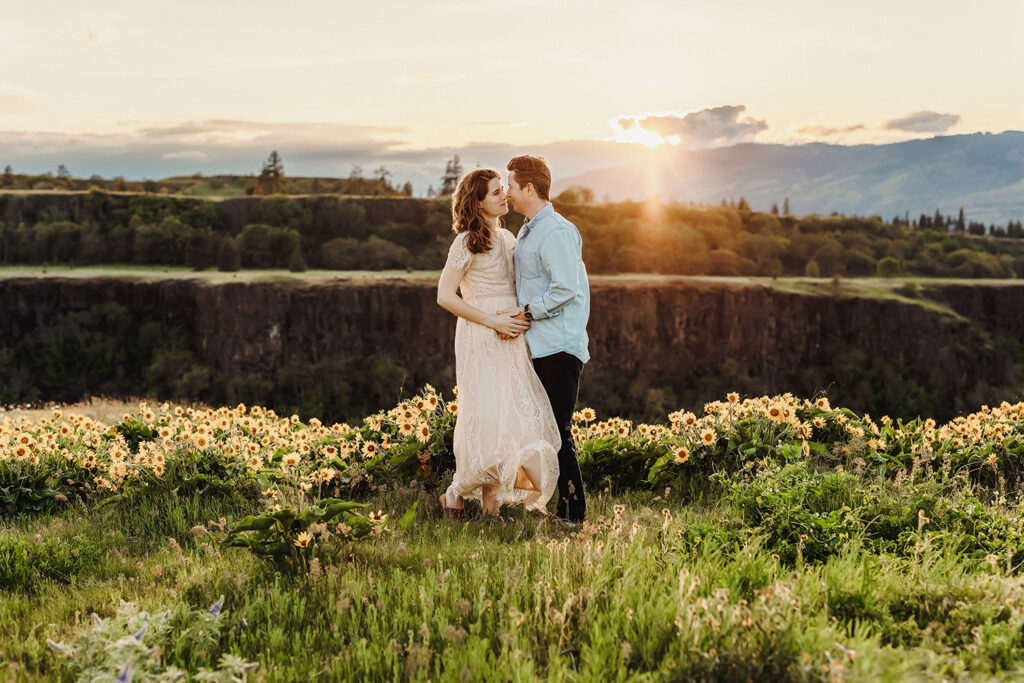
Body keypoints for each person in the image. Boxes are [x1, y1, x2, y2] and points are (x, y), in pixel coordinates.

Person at [436, 168, 561, 518]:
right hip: (480, 334)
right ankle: (456, 493)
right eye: (495, 193)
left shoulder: (508, 238)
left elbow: (521, 287)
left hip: (511, 333)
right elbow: (445, 296)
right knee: (487, 414)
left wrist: (521, 318)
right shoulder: (465, 242)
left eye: (503, 190)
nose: (504, 196)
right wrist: (493, 321)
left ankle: (494, 506)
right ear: (477, 203)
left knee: (516, 415)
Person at [501, 155, 590, 526]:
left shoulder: (556, 231)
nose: (507, 192)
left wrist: (527, 312)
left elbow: (565, 288)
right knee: (538, 429)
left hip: (559, 346)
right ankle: (541, 504)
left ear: (529, 189)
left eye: (510, 185)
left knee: (557, 431)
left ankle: (573, 517)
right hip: (538, 345)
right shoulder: (529, 228)